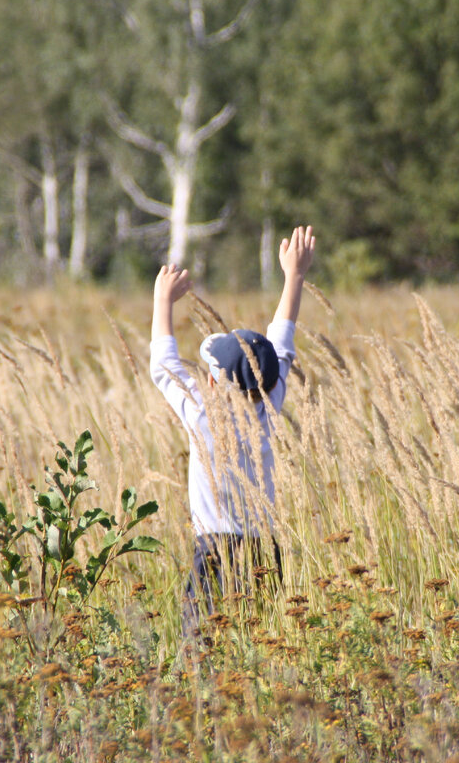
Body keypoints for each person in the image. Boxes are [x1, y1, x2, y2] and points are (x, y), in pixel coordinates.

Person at [150, 225, 316, 632]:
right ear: (271, 381)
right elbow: (282, 340)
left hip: (213, 554)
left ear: (210, 382)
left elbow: (163, 365)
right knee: (255, 645)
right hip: (263, 551)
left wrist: (162, 299)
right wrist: (294, 276)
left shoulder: (201, 414)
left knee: (200, 650)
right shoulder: (270, 403)